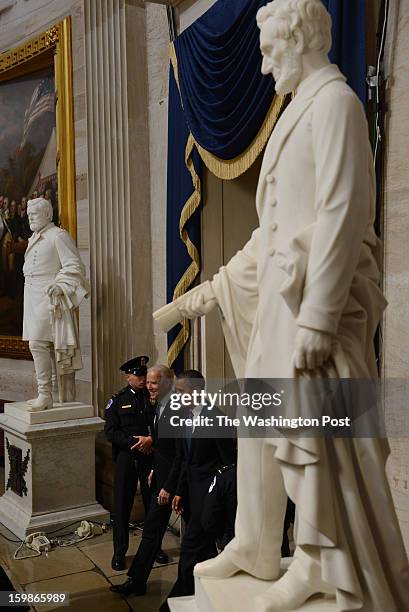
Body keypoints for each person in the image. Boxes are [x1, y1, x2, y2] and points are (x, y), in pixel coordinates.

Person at [156, 1, 409, 610]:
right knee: (260, 432)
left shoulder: (337, 107)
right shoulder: (298, 112)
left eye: (270, 51)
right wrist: (202, 295)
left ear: (300, 39)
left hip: (309, 313)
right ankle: (256, 540)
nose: (266, 66)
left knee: (311, 442)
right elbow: (266, 235)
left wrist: (320, 319)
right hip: (278, 307)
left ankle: (325, 563)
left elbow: (345, 216)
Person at [160, 370, 237, 610]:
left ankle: (174, 604)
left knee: (190, 551)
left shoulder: (217, 419)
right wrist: (179, 491)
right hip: (191, 497)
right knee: (203, 554)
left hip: (211, 500)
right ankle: (208, 599)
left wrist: (219, 503)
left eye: (181, 392)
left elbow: (229, 467)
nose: (177, 396)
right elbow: (184, 460)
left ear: (197, 392)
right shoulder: (183, 417)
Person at [111, 364, 181, 596]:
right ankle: (137, 580)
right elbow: (164, 447)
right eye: (148, 381)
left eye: (154, 382)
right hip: (161, 478)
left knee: (198, 535)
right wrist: (155, 469)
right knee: (152, 531)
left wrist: (170, 486)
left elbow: (181, 454)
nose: (149, 386)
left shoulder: (175, 408)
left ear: (168, 382)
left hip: (173, 484)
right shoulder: (160, 404)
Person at [23, 197, 89, 410]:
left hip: (49, 298)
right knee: (42, 345)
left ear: (47, 215)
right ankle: (51, 394)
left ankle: (47, 395)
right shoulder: (34, 238)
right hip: (31, 297)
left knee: (40, 344)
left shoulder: (58, 236)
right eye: (29, 213)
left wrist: (61, 285)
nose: (30, 217)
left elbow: (74, 266)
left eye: (34, 213)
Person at [104, 355, 154, 571]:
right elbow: (110, 432)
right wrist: (134, 443)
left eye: (144, 374)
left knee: (152, 504)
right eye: (138, 375)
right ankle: (119, 552)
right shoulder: (117, 400)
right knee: (122, 506)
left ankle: (154, 548)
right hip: (126, 456)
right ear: (128, 377)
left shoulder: (153, 398)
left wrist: (150, 442)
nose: (143, 378)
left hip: (149, 456)